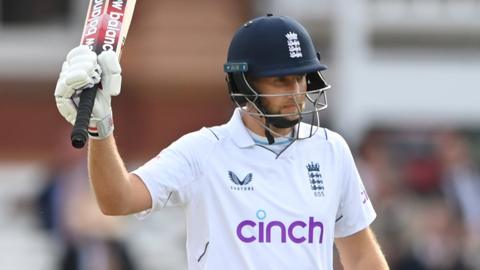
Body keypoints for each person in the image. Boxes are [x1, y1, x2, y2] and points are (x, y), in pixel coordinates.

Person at [54, 14, 389, 270]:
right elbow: (118, 200)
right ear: (243, 84)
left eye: (302, 78)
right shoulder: (204, 151)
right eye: (282, 81)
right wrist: (101, 127)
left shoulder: (331, 151)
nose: (297, 93)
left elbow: (362, 258)